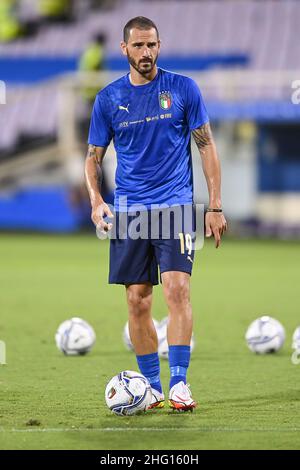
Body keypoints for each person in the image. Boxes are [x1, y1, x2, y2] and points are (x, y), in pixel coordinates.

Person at [85, 16, 227, 412]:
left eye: (152, 46)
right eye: (138, 46)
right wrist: (97, 200)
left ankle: (179, 382)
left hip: (177, 204)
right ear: (124, 49)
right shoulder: (108, 99)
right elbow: (92, 159)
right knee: (137, 301)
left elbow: (206, 147)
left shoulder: (183, 89)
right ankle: (150, 386)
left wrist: (214, 204)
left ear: (159, 46)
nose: (146, 53)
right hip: (130, 210)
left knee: (178, 290)